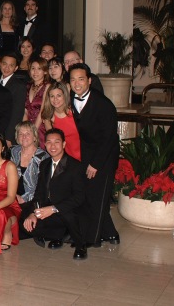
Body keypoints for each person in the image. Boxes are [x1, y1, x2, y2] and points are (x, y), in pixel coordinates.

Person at [69, 63, 119, 247]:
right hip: (83, 154)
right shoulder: (69, 99)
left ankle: (91, 239)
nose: (77, 83)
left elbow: (109, 138)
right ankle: (110, 233)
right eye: (73, 80)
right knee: (86, 195)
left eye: (81, 79)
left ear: (89, 81)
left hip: (104, 156)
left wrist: (96, 164)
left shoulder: (104, 104)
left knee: (98, 197)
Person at [22, 128, 87, 260]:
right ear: (45, 145)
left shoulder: (75, 166)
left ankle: (81, 245)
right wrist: (33, 213)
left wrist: (53, 209)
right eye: (49, 142)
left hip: (70, 209)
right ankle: (59, 236)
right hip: (50, 207)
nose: (52, 146)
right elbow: (39, 192)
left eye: (57, 142)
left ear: (63, 144)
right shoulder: (44, 164)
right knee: (26, 222)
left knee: (68, 215)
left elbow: (79, 198)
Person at [9, 122, 49, 219]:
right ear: (17, 137)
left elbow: (44, 186)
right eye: (21, 134)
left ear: (35, 137)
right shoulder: (13, 151)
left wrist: (24, 198)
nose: (24, 136)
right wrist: (13, 195)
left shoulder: (43, 157)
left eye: (27, 133)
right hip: (12, 196)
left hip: (33, 201)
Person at [41, 81, 81, 161]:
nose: (55, 99)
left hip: (86, 153)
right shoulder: (49, 117)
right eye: (52, 96)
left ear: (64, 96)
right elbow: (52, 141)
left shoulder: (75, 111)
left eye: (58, 95)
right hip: (68, 159)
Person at [0, 53, 27, 146]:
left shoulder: (19, 86)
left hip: (7, 134)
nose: (7, 68)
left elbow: (17, 113)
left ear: (16, 68)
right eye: (4, 64)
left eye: (11, 65)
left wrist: (9, 137)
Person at [24, 58, 50, 148]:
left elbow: (43, 111)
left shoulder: (47, 86)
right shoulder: (28, 86)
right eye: (33, 68)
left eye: (39, 69)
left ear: (45, 71)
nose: (35, 72)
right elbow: (25, 110)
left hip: (41, 127)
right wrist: (25, 128)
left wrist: (33, 131)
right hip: (28, 127)